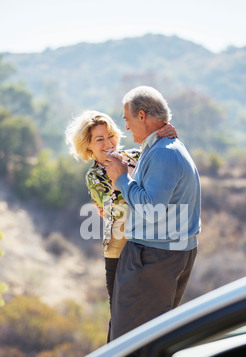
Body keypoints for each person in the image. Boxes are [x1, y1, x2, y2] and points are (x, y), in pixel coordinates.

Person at [65, 110, 177, 340]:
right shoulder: (94, 176)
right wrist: (137, 185)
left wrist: (168, 134)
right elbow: (124, 207)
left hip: (149, 246)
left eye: (110, 136)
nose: (108, 143)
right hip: (118, 251)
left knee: (151, 313)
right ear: (88, 147)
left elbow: (160, 172)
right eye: (99, 139)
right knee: (120, 316)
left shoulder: (137, 154)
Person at [105, 86, 201, 340]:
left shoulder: (164, 154)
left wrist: (122, 180)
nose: (126, 128)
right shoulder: (163, 145)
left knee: (128, 339)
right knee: (151, 334)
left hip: (153, 256)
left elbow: (152, 208)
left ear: (142, 116)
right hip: (167, 253)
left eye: (127, 120)